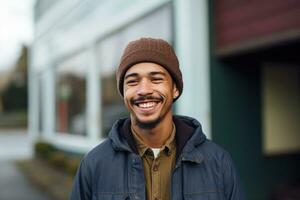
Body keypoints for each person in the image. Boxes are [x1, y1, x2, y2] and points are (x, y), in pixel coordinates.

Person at [70, 38, 245, 200]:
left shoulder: (218, 162)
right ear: (124, 93)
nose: (144, 90)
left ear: (175, 88)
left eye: (156, 79)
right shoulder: (94, 165)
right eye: (132, 82)